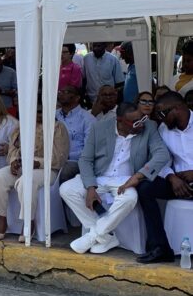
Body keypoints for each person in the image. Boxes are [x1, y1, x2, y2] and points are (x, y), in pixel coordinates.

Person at [60, 102, 170, 255]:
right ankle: (106, 236)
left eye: (142, 119)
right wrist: (90, 187)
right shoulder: (99, 128)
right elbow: (85, 159)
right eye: (135, 122)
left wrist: (138, 176)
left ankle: (94, 236)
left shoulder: (149, 127)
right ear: (119, 120)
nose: (140, 124)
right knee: (66, 189)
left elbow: (162, 154)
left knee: (130, 198)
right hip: (99, 176)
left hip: (126, 180)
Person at [0, 109, 69, 242]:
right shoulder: (22, 126)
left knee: (26, 181)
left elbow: (60, 158)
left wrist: (38, 163)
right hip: (23, 164)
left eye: (41, 112)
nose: (38, 115)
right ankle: (2, 218)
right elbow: (13, 149)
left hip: (47, 169)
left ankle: (28, 221)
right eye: (36, 111)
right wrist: (14, 161)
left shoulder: (58, 128)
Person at [134, 91, 193, 264]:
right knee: (145, 188)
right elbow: (161, 159)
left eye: (162, 113)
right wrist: (171, 177)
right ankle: (160, 248)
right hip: (180, 183)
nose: (160, 118)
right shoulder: (163, 129)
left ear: (177, 108)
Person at [55, 85, 94, 182]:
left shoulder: (87, 119)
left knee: (65, 171)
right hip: (52, 159)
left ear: (77, 98)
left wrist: (66, 155)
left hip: (74, 161)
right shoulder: (53, 115)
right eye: (60, 92)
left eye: (66, 92)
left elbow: (89, 149)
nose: (61, 94)